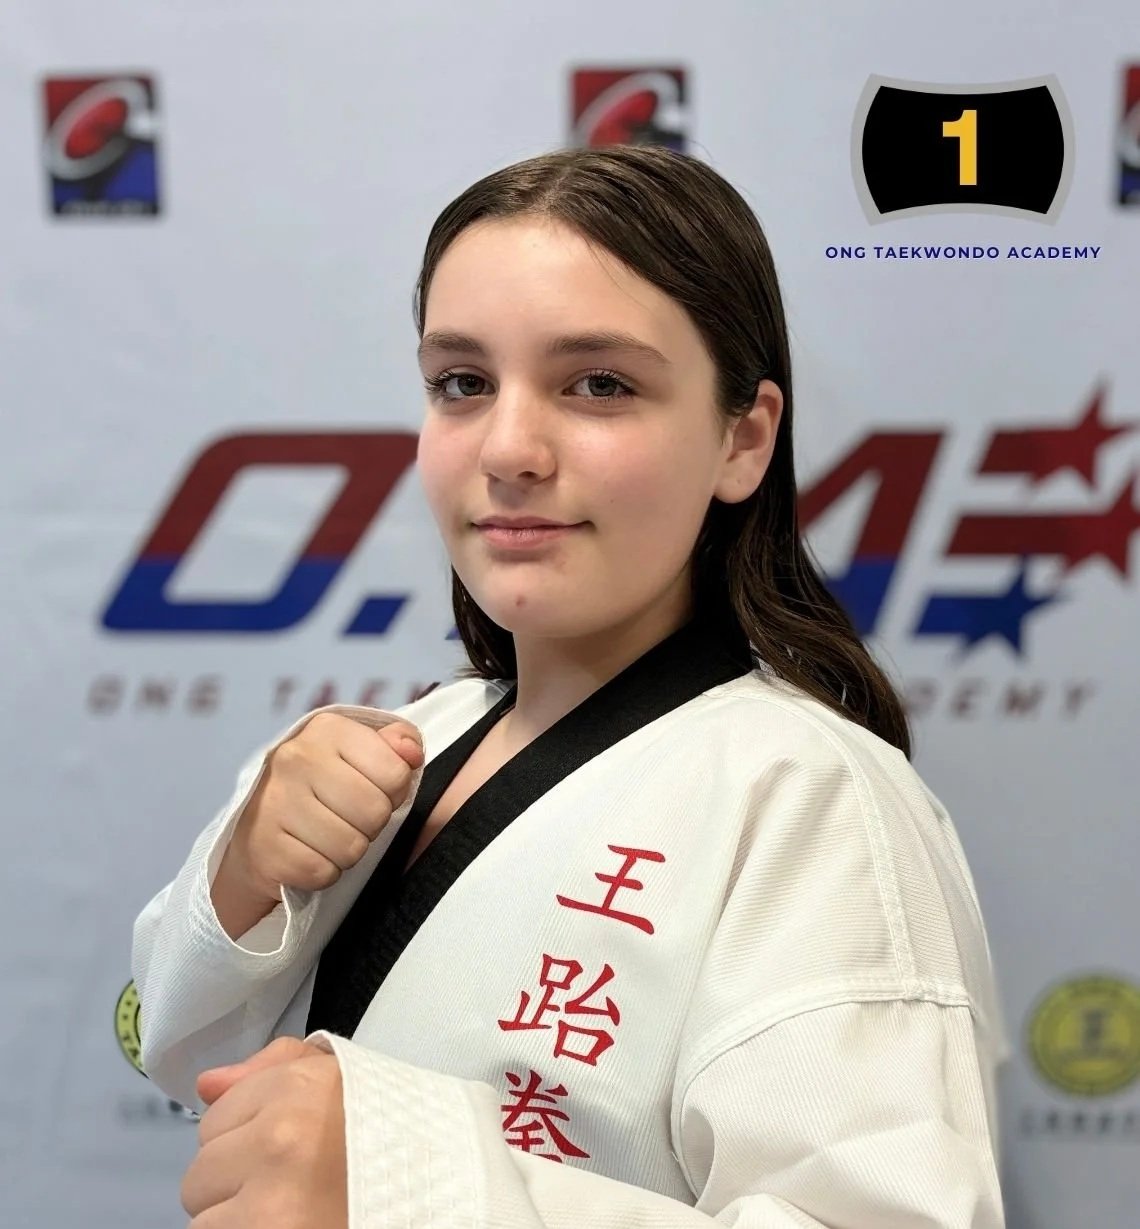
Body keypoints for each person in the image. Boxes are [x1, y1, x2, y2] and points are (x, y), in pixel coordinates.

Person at [133, 144, 1007, 1228]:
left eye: (599, 383)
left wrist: (405, 1185)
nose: (509, 445)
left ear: (743, 437)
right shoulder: (411, 737)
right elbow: (172, 1052)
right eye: (462, 382)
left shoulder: (812, 798)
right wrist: (244, 877)